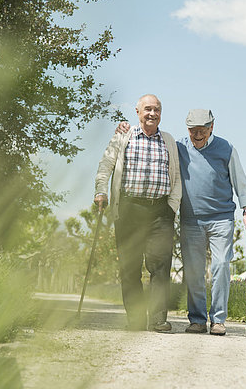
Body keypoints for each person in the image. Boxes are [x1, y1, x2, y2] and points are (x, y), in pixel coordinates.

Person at [116, 108, 246, 336]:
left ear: (212, 127)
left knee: (221, 265)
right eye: (193, 130)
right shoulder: (178, 147)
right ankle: (198, 320)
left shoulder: (226, 149)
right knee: (193, 271)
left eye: (202, 130)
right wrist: (125, 128)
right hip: (191, 219)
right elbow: (152, 141)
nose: (198, 135)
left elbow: (241, 182)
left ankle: (218, 319)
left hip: (221, 218)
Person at [94, 94, 181, 332]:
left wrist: (172, 207)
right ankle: (135, 320)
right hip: (129, 210)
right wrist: (101, 191)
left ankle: (157, 320)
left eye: (157, 110)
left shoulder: (169, 140)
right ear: (138, 111)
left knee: (160, 266)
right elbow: (105, 166)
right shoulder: (123, 135)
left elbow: (176, 176)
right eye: (148, 109)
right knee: (130, 268)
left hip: (160, 210)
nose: (152, 114)